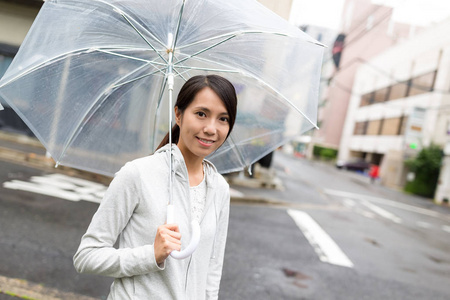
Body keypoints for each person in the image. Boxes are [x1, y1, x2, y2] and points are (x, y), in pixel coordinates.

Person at [73, 75, 238, 300]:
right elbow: (87, 256)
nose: (211, 128)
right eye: (201, 114)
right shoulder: (138, 174)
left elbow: (212, 269)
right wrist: (150, 255)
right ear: (178, 115)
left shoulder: (219, 188)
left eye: (223, 119)